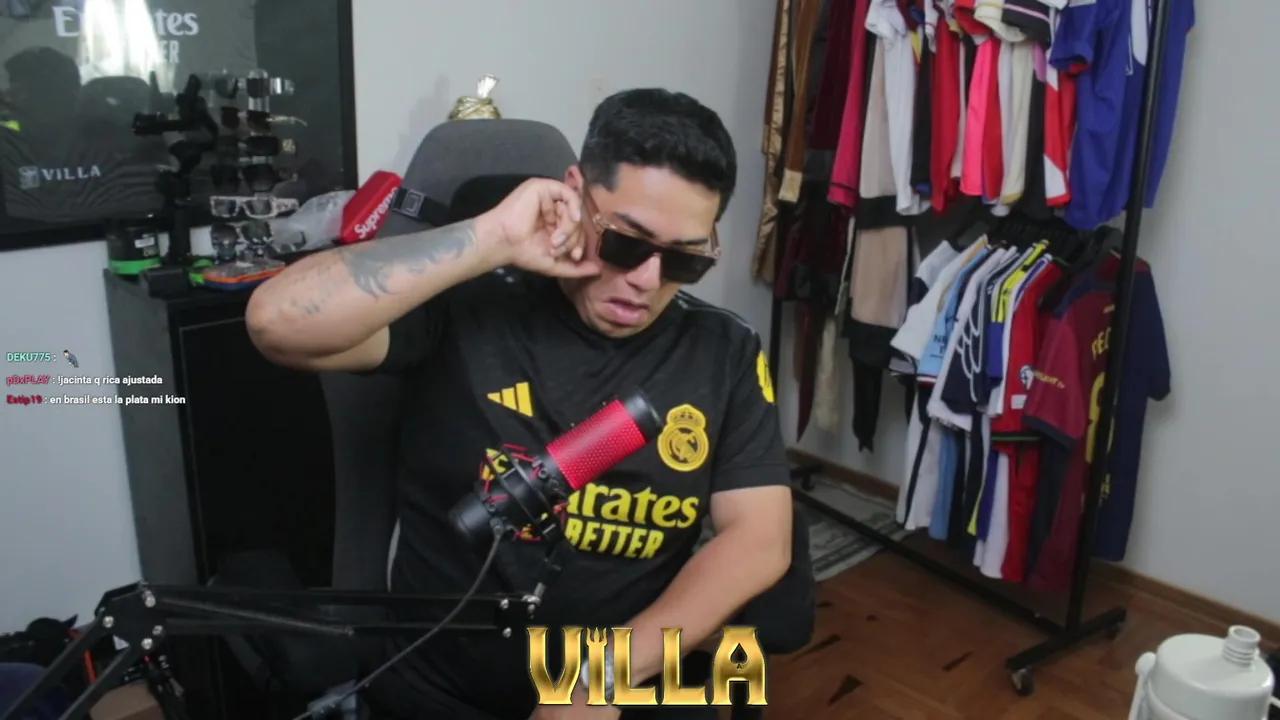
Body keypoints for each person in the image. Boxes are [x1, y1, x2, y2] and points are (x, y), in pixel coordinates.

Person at [246, 89, 794, 720]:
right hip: (440, 686)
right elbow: (274, 322)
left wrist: (600, 680)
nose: (647, 279)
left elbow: (760, 539)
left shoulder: (723, 350)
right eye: (626, 242)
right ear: (575, 195)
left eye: (683, 259)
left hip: (622, 682)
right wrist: (493, 238)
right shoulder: (468, 306)